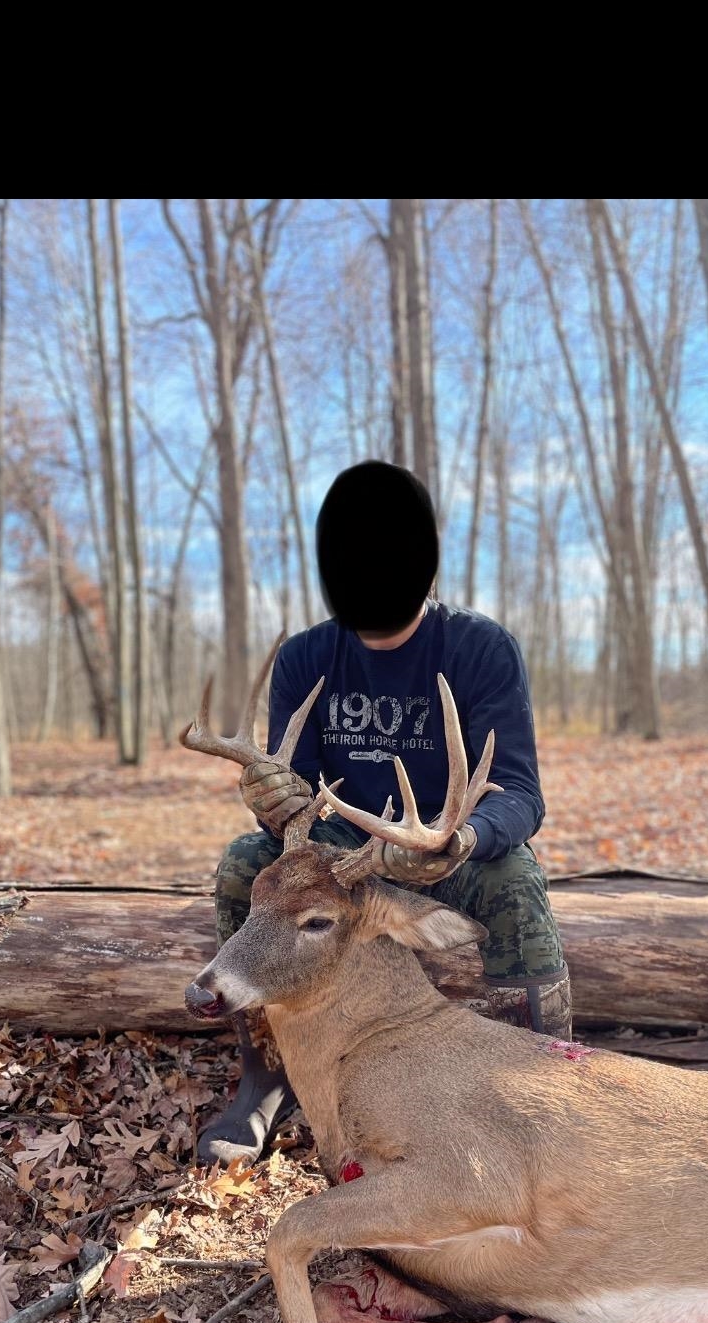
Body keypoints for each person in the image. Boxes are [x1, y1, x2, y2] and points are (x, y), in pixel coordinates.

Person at [200, 460, 570, 1162]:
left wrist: (463, 839)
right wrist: (272, 804)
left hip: (441, 849)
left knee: (515, 881)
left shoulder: (480, 649)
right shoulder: (307, 656)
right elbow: (294, 801)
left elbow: (521, 792)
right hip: (342, 854)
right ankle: (267, 1078)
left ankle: (541, 1083)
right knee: (244, 864)